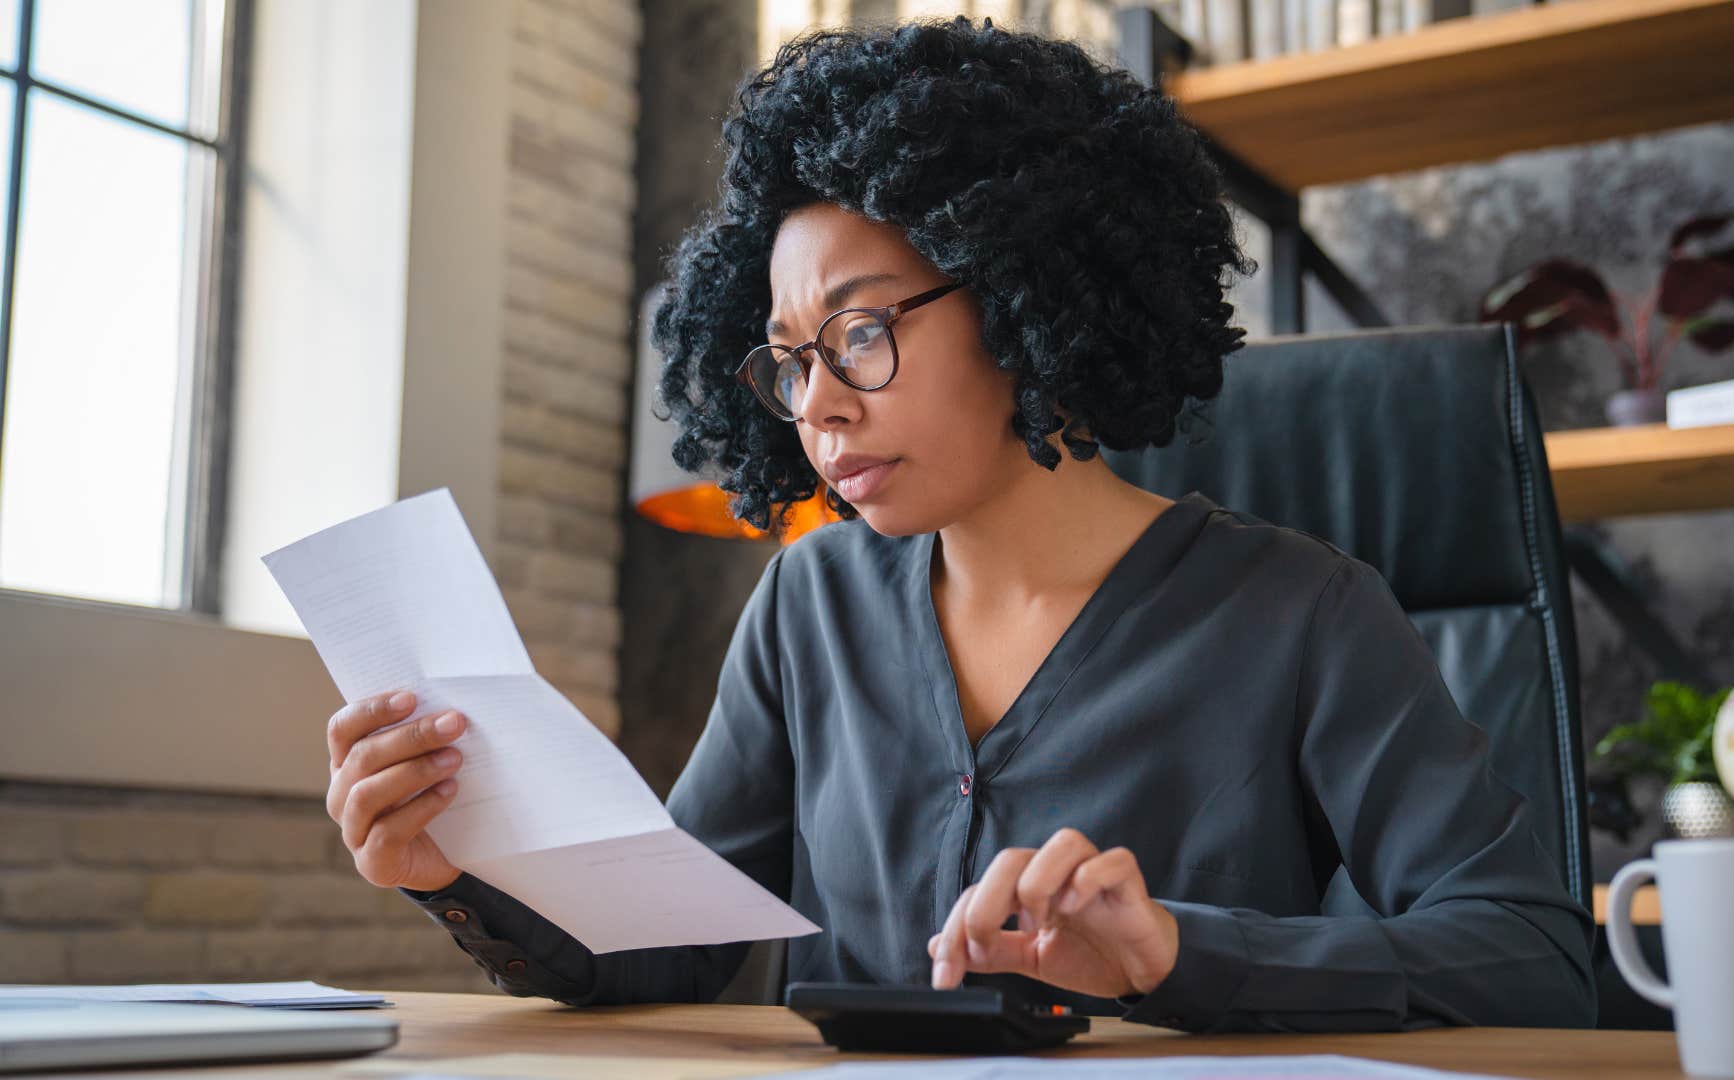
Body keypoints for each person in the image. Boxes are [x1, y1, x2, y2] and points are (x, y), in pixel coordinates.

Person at [322, 15, 1597, 1032]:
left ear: (1026, 298)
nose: (815, 404)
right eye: (787, 359)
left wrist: (1174, 953)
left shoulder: (1302, 611)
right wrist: (453, 866)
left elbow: (1531, 954)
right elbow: (675, 941)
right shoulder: (808, 608)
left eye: (861, 332)